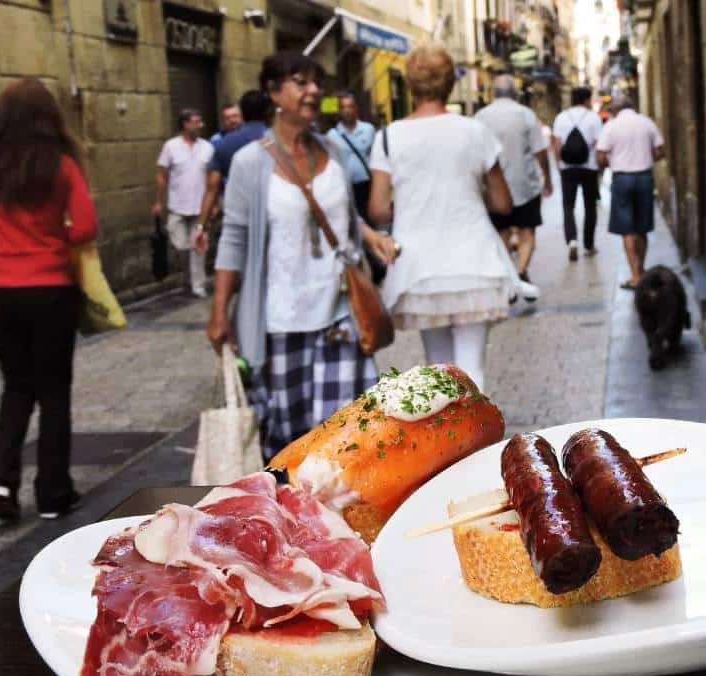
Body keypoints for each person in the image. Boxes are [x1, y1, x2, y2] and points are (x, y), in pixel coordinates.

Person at [208, 53, 399, 461]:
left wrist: (371, 238)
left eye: (315, 82)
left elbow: (343, 215)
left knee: (349, 435)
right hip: (279, 321)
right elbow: (234, 240)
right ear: (274, 93)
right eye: (300, 82)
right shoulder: (249, 163)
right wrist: (220, 311)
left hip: (339, 314)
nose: (313, 91)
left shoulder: (335, 152)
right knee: (288, 444)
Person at [0, 78, 98, 522]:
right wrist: (52, 237)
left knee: (16, 387)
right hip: (50, 288)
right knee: (54, 392)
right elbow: (84, 227)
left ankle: (0, 481)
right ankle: (54, 493)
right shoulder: (60, 166)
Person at [368, 42, 518, 390]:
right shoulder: (475, 131)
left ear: (410, 84)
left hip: (419, 266)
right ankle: (480, 440)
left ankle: (452, 442)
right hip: (474, 259)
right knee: (472, 369)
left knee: (437, 371)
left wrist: (409, 206)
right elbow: (503, 203)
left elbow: (377, 209)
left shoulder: (388, 137)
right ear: (451, 82)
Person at [474, 74, 552, 297]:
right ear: (515, 94)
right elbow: (540, 151)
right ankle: (521, 270)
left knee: (502, 233)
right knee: (527, 232)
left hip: (493, 189)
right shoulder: (526, 115)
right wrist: (547, 178)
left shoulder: (480, 117)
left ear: (493, 94)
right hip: (524, 185)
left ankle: (508, 274)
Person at [596, 95, 665, 289]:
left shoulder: (611, 126)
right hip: (644, 178)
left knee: (627, 229)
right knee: (642, 227)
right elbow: (660, 151)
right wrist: (643, 158)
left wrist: (616, 162)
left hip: (622, 179)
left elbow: (600, 157)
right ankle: (641, 270)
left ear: (615, 110)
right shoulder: (646, 122)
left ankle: (635, 276)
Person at [192, 90, 269, 255]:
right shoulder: (281, 139)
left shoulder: (223, 145)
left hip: (240, 215)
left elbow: (211, 187)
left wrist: (200, 226)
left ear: (243, 113)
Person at [153, 109, 214, 297]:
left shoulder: (207, 147)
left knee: (199, 248)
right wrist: (157, 201)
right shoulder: (171, 146)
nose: (198, 126)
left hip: (200, 206)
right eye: (195, 122)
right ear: (185, 124)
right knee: (181, 246)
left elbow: (212, 177)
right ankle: (187, 280)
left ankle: (198, 286)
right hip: (177, 205)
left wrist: (213, 203)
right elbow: (162, 175)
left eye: (199, 122)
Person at [551, 86, 604, 261]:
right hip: (589, 168)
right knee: (590, 206)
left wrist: (560, 164)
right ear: (587, 100)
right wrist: (599, 167)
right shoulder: (593, 118)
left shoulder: (561, 117)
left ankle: (572, 240)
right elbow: (599, 145)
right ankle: (589, 245)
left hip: (568, 168)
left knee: (568, 206)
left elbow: (557, 144)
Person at [326, 93, 378, 223]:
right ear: (339, 111)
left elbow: (376, 157)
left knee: (369, 220)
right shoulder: (332, 135)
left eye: (350, 106)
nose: (347, 111)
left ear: (356, 109)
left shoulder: (368, 130)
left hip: (367, 185)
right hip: (345, 187)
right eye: (343, 107)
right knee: (350, 223)